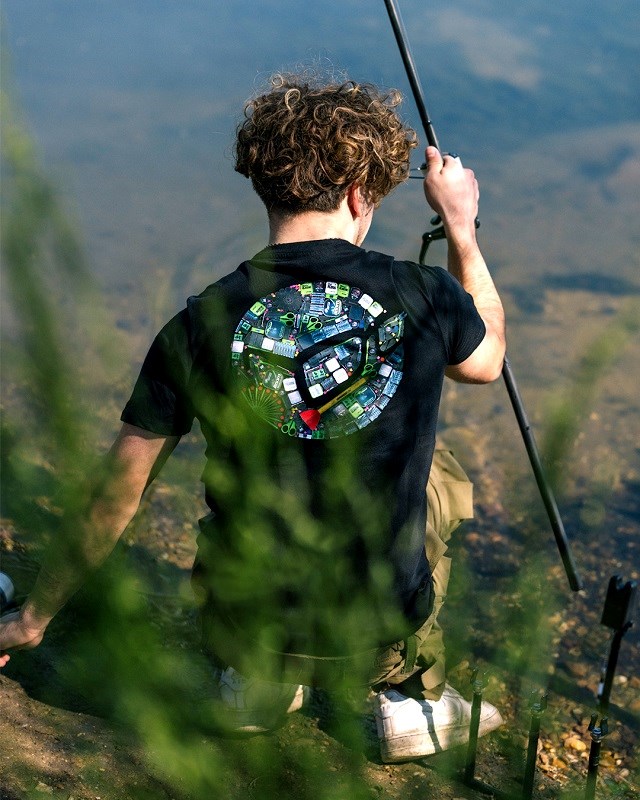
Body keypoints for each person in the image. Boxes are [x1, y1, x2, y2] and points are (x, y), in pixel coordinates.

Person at [0, 74, 506, 763]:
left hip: (246, 627)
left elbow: (118, 491)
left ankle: (254, 685)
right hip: (375, 632)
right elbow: (485, 362)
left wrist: (33, 618)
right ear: (360, 194)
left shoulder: (199, 322)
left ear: (266, 186)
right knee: (438, 473)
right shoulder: (421, 290)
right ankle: (404, 698)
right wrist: (461, 231)